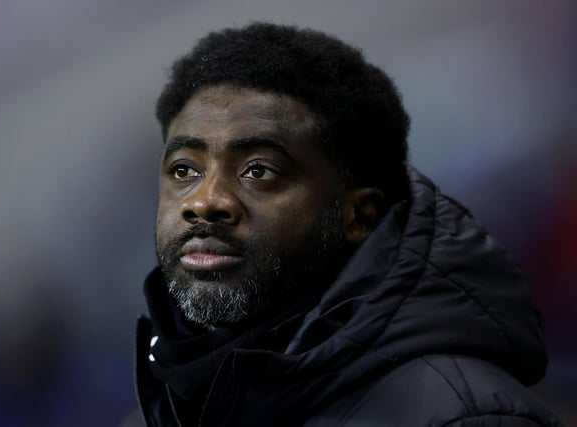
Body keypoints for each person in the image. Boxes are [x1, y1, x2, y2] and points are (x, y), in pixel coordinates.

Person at [124, 22, 564, 426]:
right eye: (185, 170)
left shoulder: (464, 417)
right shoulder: (162, 409)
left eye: (258, 170)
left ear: (358, 217)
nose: (204, 201)